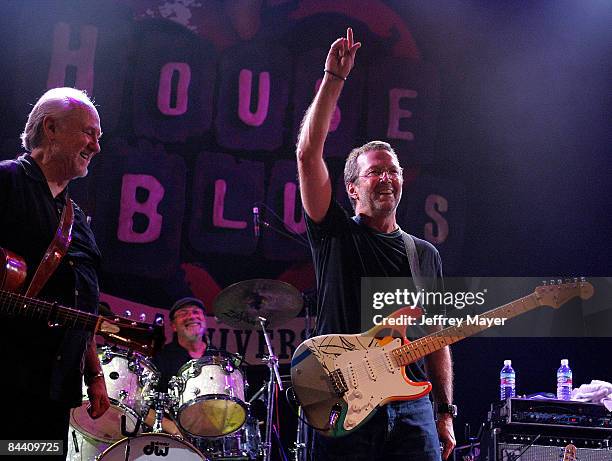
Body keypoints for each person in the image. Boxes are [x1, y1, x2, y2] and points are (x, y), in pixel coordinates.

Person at [296, 29, 456, 460]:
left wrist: (444, 413)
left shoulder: (424, 254)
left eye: (394, 170)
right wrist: (333, 78)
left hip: (412, 408)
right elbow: (309, 155)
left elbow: (437, 338)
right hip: (346, 403)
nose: (387, 177)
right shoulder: (334, 234)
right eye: (374, 172)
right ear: (351, 188)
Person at [0, 87, 110, 459]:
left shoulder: (76, 217)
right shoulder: (6, 183)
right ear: (50, 127)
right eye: (88, 133)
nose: (95, 146)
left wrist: (93, 374)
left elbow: (81, 302)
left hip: (53, 391)